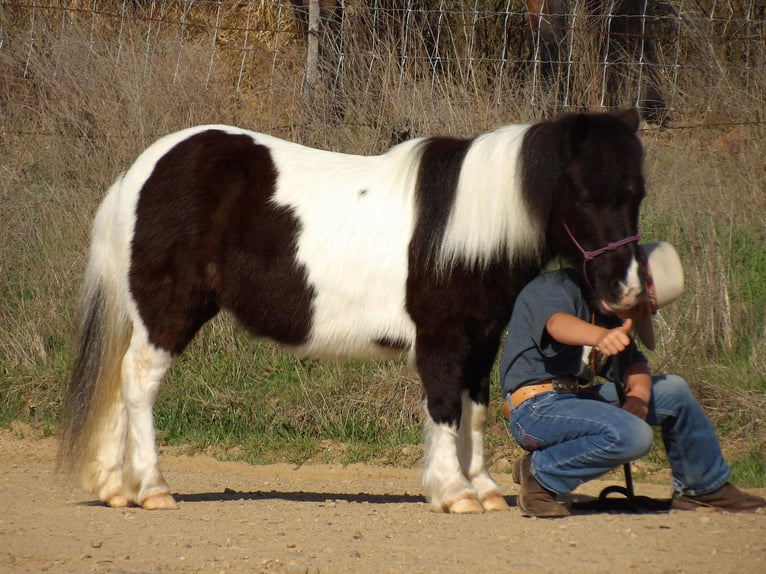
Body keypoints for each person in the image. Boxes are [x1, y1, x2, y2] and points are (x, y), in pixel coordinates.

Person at [499, 243, 765, 517]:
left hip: (575, 401)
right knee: (633, 435)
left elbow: (634, 363)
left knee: (674, 390)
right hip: (535, 408)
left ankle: (703, 488)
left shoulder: (609, 317)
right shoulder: (557, 285)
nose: (633, 315)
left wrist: (638, 395)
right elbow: (557, 324)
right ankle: (539, 474)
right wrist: (600, 337)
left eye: (640, 311)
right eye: (636, 306)